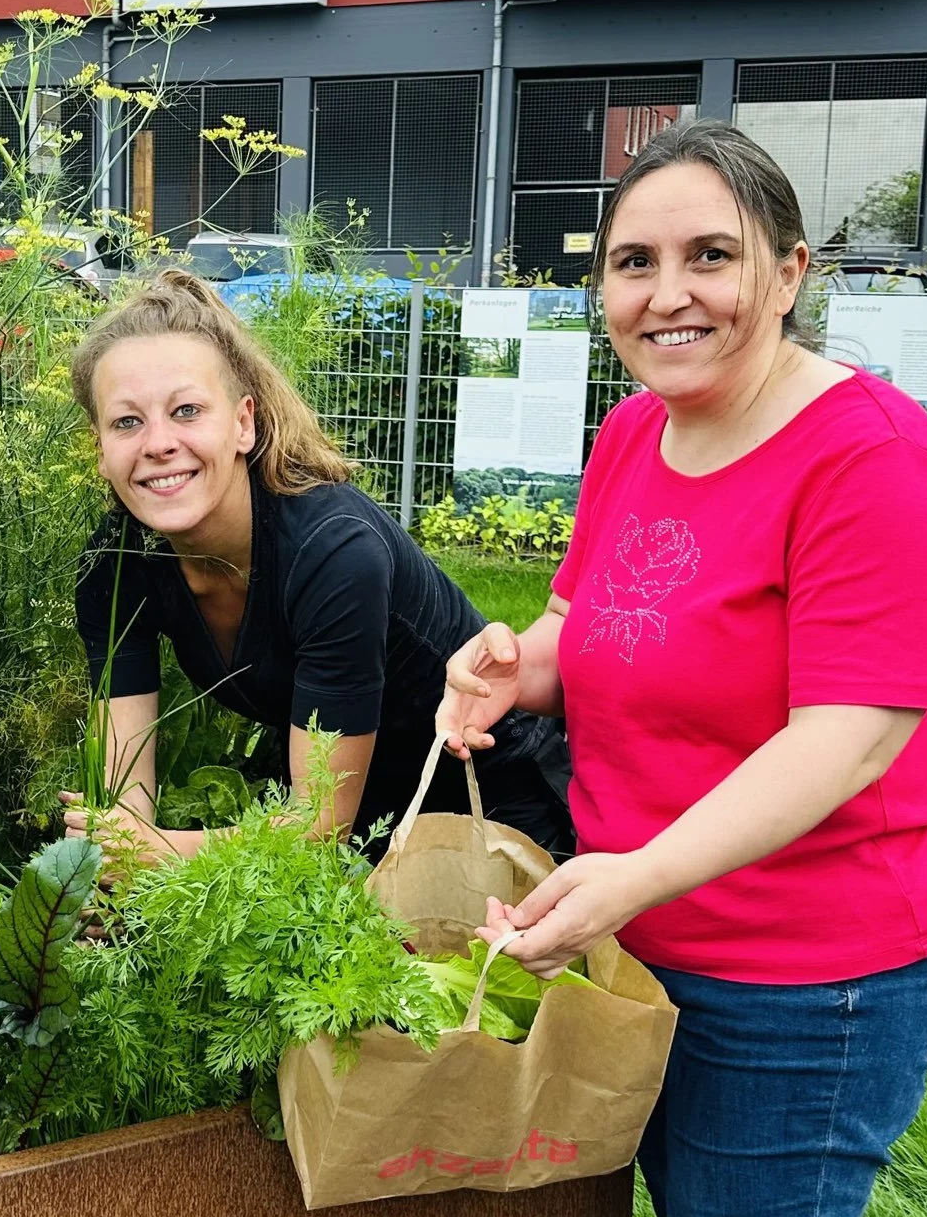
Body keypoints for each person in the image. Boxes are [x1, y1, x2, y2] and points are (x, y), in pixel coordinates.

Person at [436, 120, 927, 1217]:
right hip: (659, 947)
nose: (668, 294)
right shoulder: (638, 436)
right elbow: (589, 623)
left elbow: (852, 736)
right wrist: (509, 668)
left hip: (817, 977)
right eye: (634, 263)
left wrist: (628, 878)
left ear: (790, 273)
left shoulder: (872, 461)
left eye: (710, 256)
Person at [64, 269, 572, 866]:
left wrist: (149, 854)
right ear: (101, 449)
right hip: (352, 830)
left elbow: (315, 828)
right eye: (127, 422)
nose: (157, 443)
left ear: (243, 423)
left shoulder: (333, 551)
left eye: (186, 410)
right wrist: (107, 863)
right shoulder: (116, 565)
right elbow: (123, 797)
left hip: (488, 815)